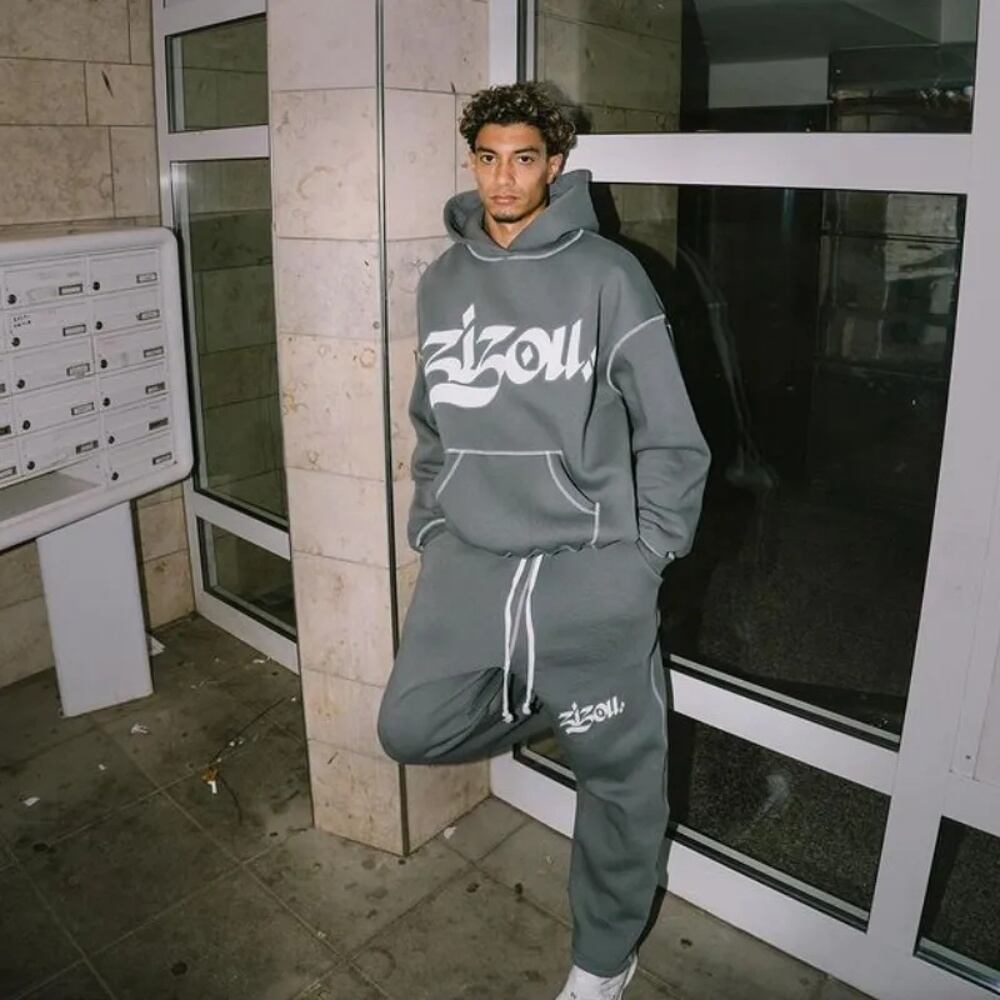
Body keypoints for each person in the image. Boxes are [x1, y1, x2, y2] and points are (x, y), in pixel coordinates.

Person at [377, 82, 710, 1000]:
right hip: (472, 560)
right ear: (472, 162)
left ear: (554, 165)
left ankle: (603, 961)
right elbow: (430, 422)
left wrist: (643, 560)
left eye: (524, 158)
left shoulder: (609, 274)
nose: (503, 178)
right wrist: (432, 524)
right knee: (409, 726)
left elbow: (673, 435)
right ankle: (564, 697)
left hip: (588, 567)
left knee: (621, 778)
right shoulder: (442, 281)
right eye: (488, 158)